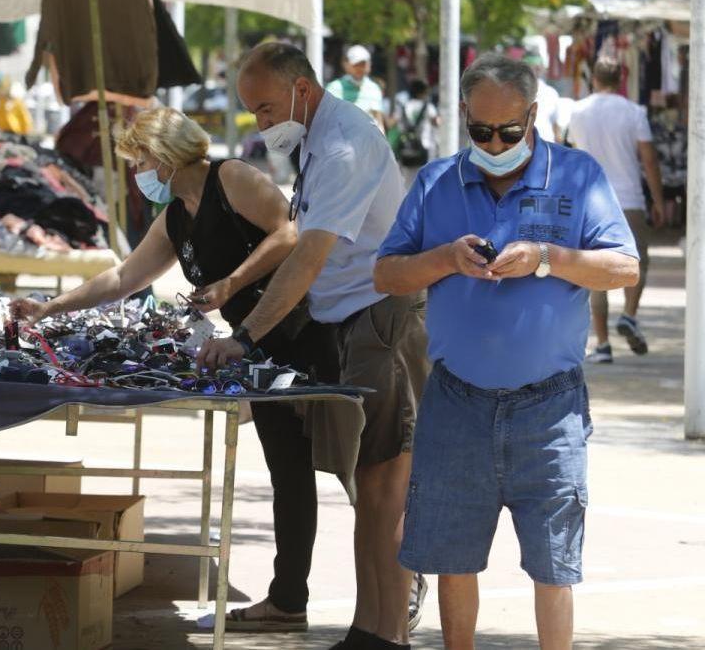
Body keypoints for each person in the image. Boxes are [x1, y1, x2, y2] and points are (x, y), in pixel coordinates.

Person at [10, 107, 340, 633]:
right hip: (251, 348)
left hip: (304, 335)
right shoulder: (176, 216)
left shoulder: (231, 177)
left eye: (137, 159)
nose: (136, 171)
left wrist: (231, 284)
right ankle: (288, 598)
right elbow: (123, 276)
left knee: (351, 469)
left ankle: (392, 578)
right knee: (290, 472)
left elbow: (290, 234)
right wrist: (51, 307)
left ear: (161, 157)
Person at [374, 53, 639, 650]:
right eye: (481, 130)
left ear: (535, 115)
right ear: (463, 115)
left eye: (509, 131)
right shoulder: (436, 182)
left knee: (554, 564)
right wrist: (445, 258)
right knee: (451, 556)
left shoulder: (577, 175)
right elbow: (387, 274)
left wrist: (547, 258)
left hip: (550, 409)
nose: (494, 143)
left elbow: (623, 267)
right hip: (455, 401)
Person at [199, 41, 429, 649]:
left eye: (267, 108)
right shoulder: (320, 138)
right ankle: (370, 628)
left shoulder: (343, 144)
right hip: (353, 321)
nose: (261, 123)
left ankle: (390, 630)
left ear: (302, 88)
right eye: (253, 111)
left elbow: (309, 253)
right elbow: (305, 243)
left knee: (385, 488)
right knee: (370, 482)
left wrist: (248, 336)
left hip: (379, 319)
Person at [567, 57, 665, 363]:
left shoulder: (577, 111)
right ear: (621, 78)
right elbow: (648, 159)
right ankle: (629, 315)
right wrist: (659, 200)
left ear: (593, 79)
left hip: (588, 201)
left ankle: (603, 345)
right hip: (629, 198)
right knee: (639, 260)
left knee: (596, 268)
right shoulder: (634, 112)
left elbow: (569, 153)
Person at [326, 44, 386, 132]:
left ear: (369, 65)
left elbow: (379, 121)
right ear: (347, 65)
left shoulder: (374, 89)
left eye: (363, 64)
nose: (360, 68)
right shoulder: (334, 88)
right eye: (356, 64)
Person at [397, 79, 439, 188]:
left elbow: (397, 122)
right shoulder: (428, 107)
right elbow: (436, 122)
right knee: (426, 177)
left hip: (407, 146)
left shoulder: (405, 106)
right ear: (422, 92)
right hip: (425, 146)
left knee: (408, 179)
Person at [525, 51, 563, 143]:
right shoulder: (515, 92)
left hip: (547, 147)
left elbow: (556, 127)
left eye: (537, 66)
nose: (536, 69)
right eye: (533, 66)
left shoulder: (551, 93)